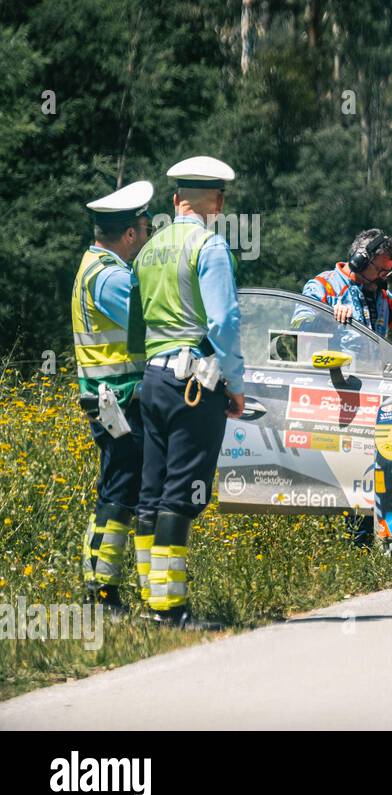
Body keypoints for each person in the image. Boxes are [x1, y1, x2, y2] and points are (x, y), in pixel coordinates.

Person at [132, 156, 244, 628]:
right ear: (216, 203)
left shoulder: (148, 249)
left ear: (174, 201)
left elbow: (134, 325)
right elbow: (223, 321)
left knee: (150, 492)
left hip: (152, 382)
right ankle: (170, 609)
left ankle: (148, 599)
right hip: (193, 383)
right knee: (180, 494)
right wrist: (235, 386)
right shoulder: (210, 246)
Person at [73, 180, 153, 614]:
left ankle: (121, 589)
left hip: (113, 400)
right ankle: (100, 593)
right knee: (120, 494)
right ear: (128, 234)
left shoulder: (94, 266)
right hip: (117, 402)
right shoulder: (111, 277)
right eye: (143, 228)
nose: (146, 235)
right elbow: (151, 321)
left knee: (127, 492)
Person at [300, 229, 392, 338]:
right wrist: (328, 316)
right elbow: (299, 328)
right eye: (381, 270)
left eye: (387, 272)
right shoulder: (322, 287)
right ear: (359, 261)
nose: (384, 277)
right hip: (330, 373)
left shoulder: (382, 298)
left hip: (370, 373)